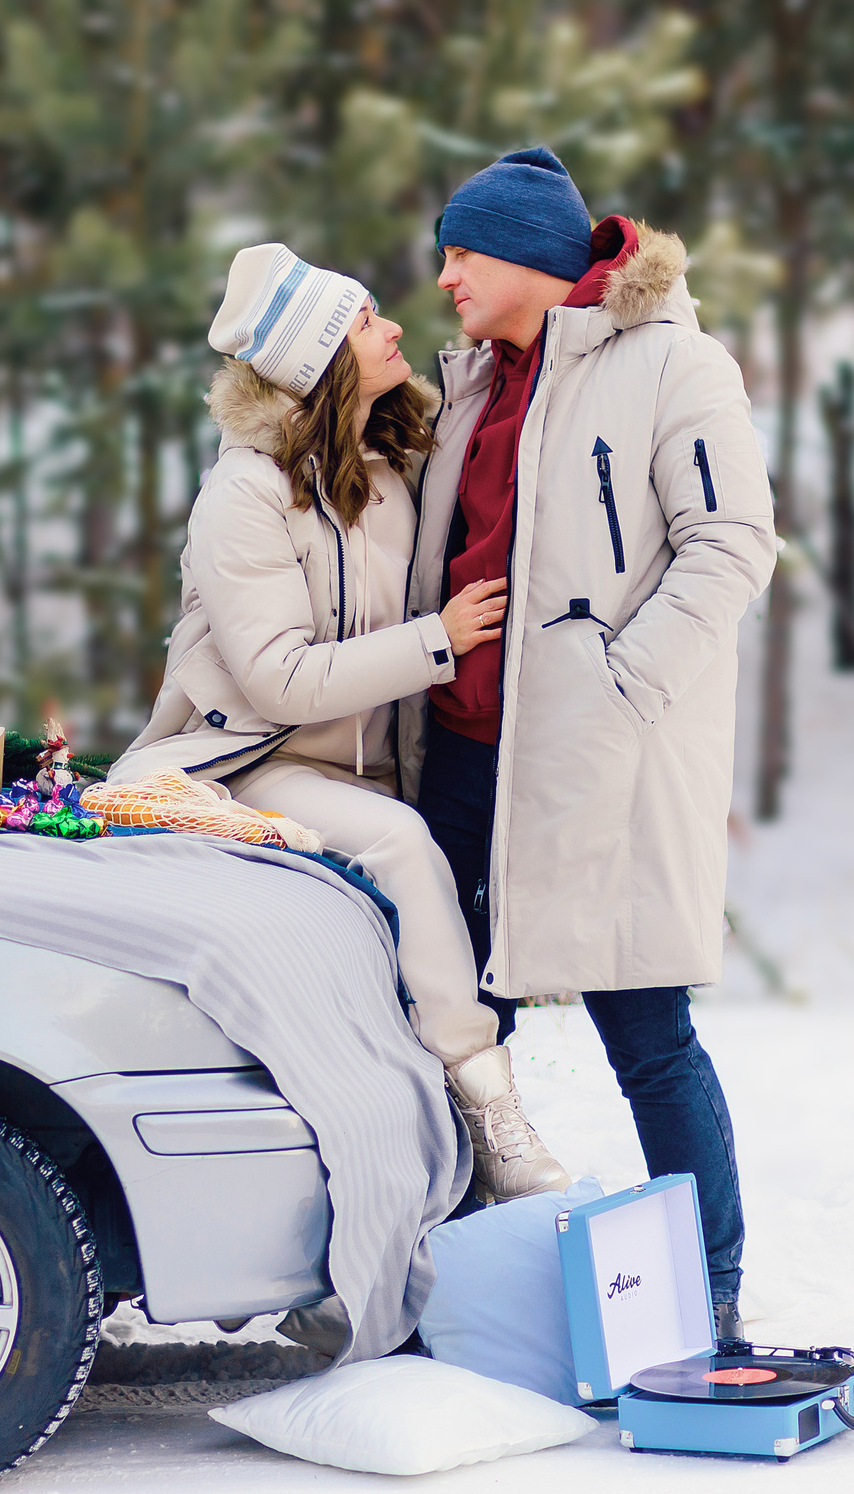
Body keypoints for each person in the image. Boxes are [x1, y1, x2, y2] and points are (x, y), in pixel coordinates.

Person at [402, 147, 777, 1344]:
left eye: (461, 250)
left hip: (593, 757)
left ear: (522, 253)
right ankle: (453, 1296)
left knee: (646, 1034)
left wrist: (620, 685)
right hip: (464, 750)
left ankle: (709, 1294)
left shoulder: (675, 365)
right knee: (452, 1026)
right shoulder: (474, 382)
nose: (445, 274)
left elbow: (730, 546)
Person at [112, 241, 571, 1204]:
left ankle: (425, 1169)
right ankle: (492, 1106)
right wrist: (435, 641)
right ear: (320, 358)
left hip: (372, 763)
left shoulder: (394, 463)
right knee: (404, 843)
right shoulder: (245, 496)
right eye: (366, 320)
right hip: (251, 759)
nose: (397, 324)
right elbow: (276, 681)